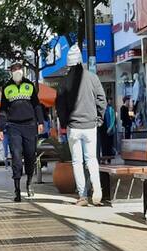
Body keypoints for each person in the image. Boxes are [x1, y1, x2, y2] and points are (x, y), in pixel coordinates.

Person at [56, 45, 107, 207]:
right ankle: (97, 189)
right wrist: (99, 118)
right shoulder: (92, 78)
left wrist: (64, 124)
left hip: (73, 128)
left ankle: (83, 196)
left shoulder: (64, 82)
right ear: (80, 61)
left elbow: (60, 107)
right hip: (90, 125)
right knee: (91, 159)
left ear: (69, 63)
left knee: (77, 162)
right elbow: (101, 99)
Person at [0, 57, 44, 202]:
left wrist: (40, 122)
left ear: (22, 70)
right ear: (10, 71)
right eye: (14, 68)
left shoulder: (29, 85)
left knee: (30, 156)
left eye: (19, 68)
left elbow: (37, 105)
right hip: (13, 127)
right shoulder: (6, 87)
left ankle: (29, 182)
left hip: (30, 126)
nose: (17, 70)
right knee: (16, 157)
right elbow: (3, 110)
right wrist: (0, 128)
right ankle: (17, 190)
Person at [100, 98, 116, 163]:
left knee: (109, 144)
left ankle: (109, 160)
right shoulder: (101, 109)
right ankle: (104, 158)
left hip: (109, 129)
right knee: (103, 145)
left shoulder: (110, 109)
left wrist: (110, 128)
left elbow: (113, 119)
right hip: (102, 129)